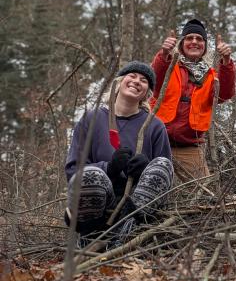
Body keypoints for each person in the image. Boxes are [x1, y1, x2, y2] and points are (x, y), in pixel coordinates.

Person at [65, 62, 173, 245]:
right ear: (119, 82)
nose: (137, 81)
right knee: (90, 174)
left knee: (162, 164)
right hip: (98, 203)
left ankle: (125, 238)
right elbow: (73, 170)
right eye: (132, 76)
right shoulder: (91, 118)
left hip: (135, 205)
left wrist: (145, 170)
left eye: (144, 80)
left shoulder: (155, 125)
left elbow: (166, 177)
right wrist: (109, 167)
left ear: (147, 93)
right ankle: (90, 239)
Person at [151, 18, 236, 183]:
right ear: (182, 43)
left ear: (204, 46)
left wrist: (226, 62)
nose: (194, 42)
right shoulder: (169, 63)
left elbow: (224, 94)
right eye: (189, 38)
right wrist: (164, 54)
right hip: (157, 140)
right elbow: (154, 81)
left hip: (189, 146)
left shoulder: (211, 75)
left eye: (199, 39)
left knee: (203, 193)